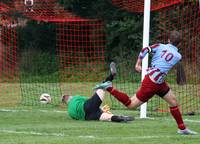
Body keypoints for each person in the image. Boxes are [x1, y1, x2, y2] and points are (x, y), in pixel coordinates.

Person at [94, 31, 197, 135]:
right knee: (131, 104)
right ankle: (109, 87)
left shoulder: (160, 46)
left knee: (173, 102)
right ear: (179, 43)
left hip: (157, 82)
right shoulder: (178, 56)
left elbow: (146, 49)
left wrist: (138, 63)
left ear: (168, 40)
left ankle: (182, 129)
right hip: (152, 84)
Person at [62, 62, 134, 122]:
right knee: (102, 87)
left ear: (66, 103)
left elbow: (76, 118)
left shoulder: (69, 112)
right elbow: (89, 100)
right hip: (87, 106)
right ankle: (111, 76)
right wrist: (101, 107)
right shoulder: (76, 97)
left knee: (108, 117)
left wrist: (100, 110)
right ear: (70, 96)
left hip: (88, 117)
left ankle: (119, 118)